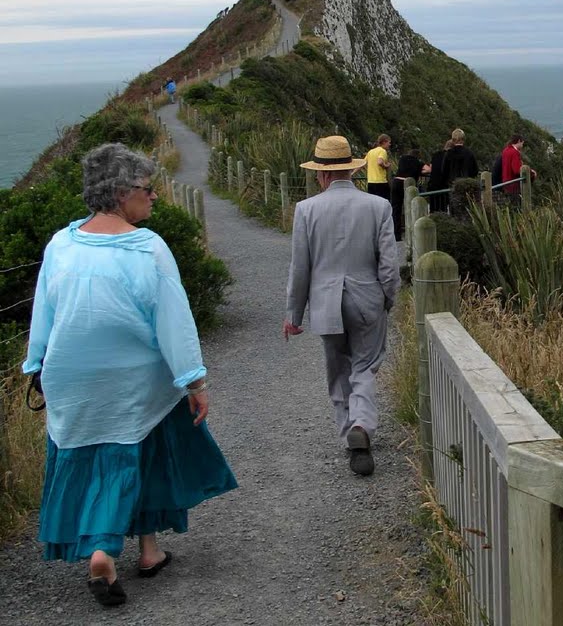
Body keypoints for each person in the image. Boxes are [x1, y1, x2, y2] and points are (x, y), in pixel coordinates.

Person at [22, 143, 237, 608]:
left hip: (70, 378)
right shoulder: (147, 247)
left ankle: (150, 550)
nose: (154, 197)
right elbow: (174, 323)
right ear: (121, 193)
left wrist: (34, 364)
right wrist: (194, 382)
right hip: (134, 380)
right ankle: (104, 549)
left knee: (93, 457)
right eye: (146, 189)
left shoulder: (61, 244)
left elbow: (45, 312)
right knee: (136, 453)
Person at [284, 136, 400, 476]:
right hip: (368, 300)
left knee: (338, 370)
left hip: (325, 303)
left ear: (321, 174)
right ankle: (362, 425)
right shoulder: (378, 207)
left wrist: (293, 315)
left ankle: (350, 429)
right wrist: (387, 299)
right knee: (365, 366)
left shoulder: (306, 210)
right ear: (353, 170)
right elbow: (389, 266)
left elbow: (299, 267)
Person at [390, 147, 429, 241]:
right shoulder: (417, 162)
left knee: (396, 209)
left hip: (396, 182)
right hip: (408, 185)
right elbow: (428, 169)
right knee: (411, 208)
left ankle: (396, 235)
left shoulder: (402, 159)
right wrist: (419, 172)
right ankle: (411, 233)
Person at [426, 139, 453, 213]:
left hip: (433, 184)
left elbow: (431, 167)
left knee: (433, 209)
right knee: (443, 209)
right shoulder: (449, 156)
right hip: (443, 186)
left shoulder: (436, 155)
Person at [364, 133, 392, 199]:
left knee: (373, 204)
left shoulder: (370, 151)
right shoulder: (382, 151)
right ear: (384, 142)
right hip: (381, 182)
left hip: (370, 182)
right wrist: (386, 166)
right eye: (389, 142)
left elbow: (363, 163)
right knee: (384, 204)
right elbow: (379, 162)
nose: (389, 144)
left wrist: (352, 172)